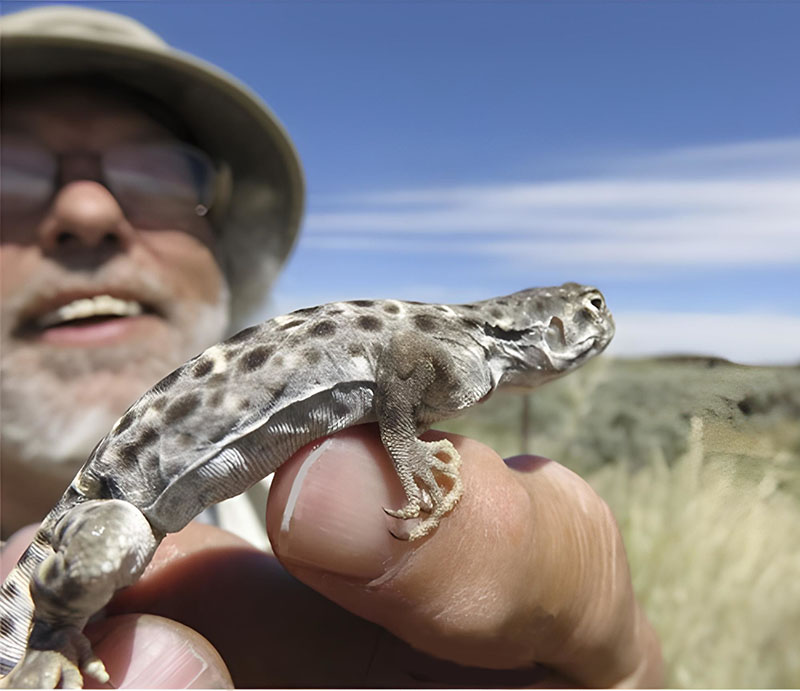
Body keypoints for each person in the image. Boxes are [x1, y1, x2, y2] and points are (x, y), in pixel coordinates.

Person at [0, 6, 662, 687]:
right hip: (109, 511)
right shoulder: (458, 356)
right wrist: (405, 450)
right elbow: (403, 360)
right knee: (112, 547)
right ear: (552, 325)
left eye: (159, 173)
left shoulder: (466, 351)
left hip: (134, 513)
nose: (88, 212)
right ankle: (53, 629)